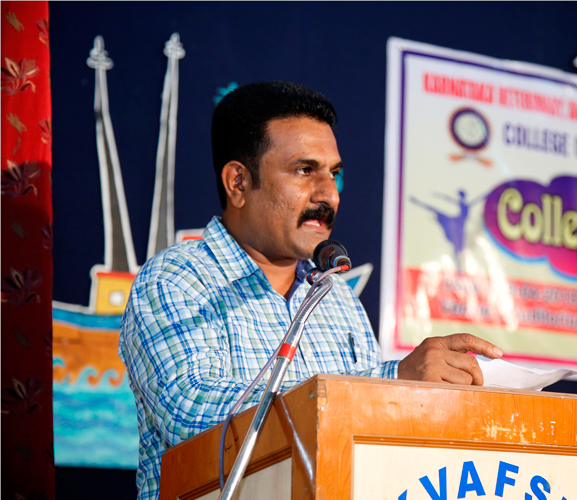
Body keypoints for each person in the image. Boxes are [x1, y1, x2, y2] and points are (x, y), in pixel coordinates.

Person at [119, 81, 503, 500]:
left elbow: (371, 444)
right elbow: (194, 419)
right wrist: (393, 380)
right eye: (305, 171)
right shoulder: (176, 279)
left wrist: (429, 399)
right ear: (238, 183)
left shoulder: (335, 295)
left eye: (333, 173)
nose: (329, 194)